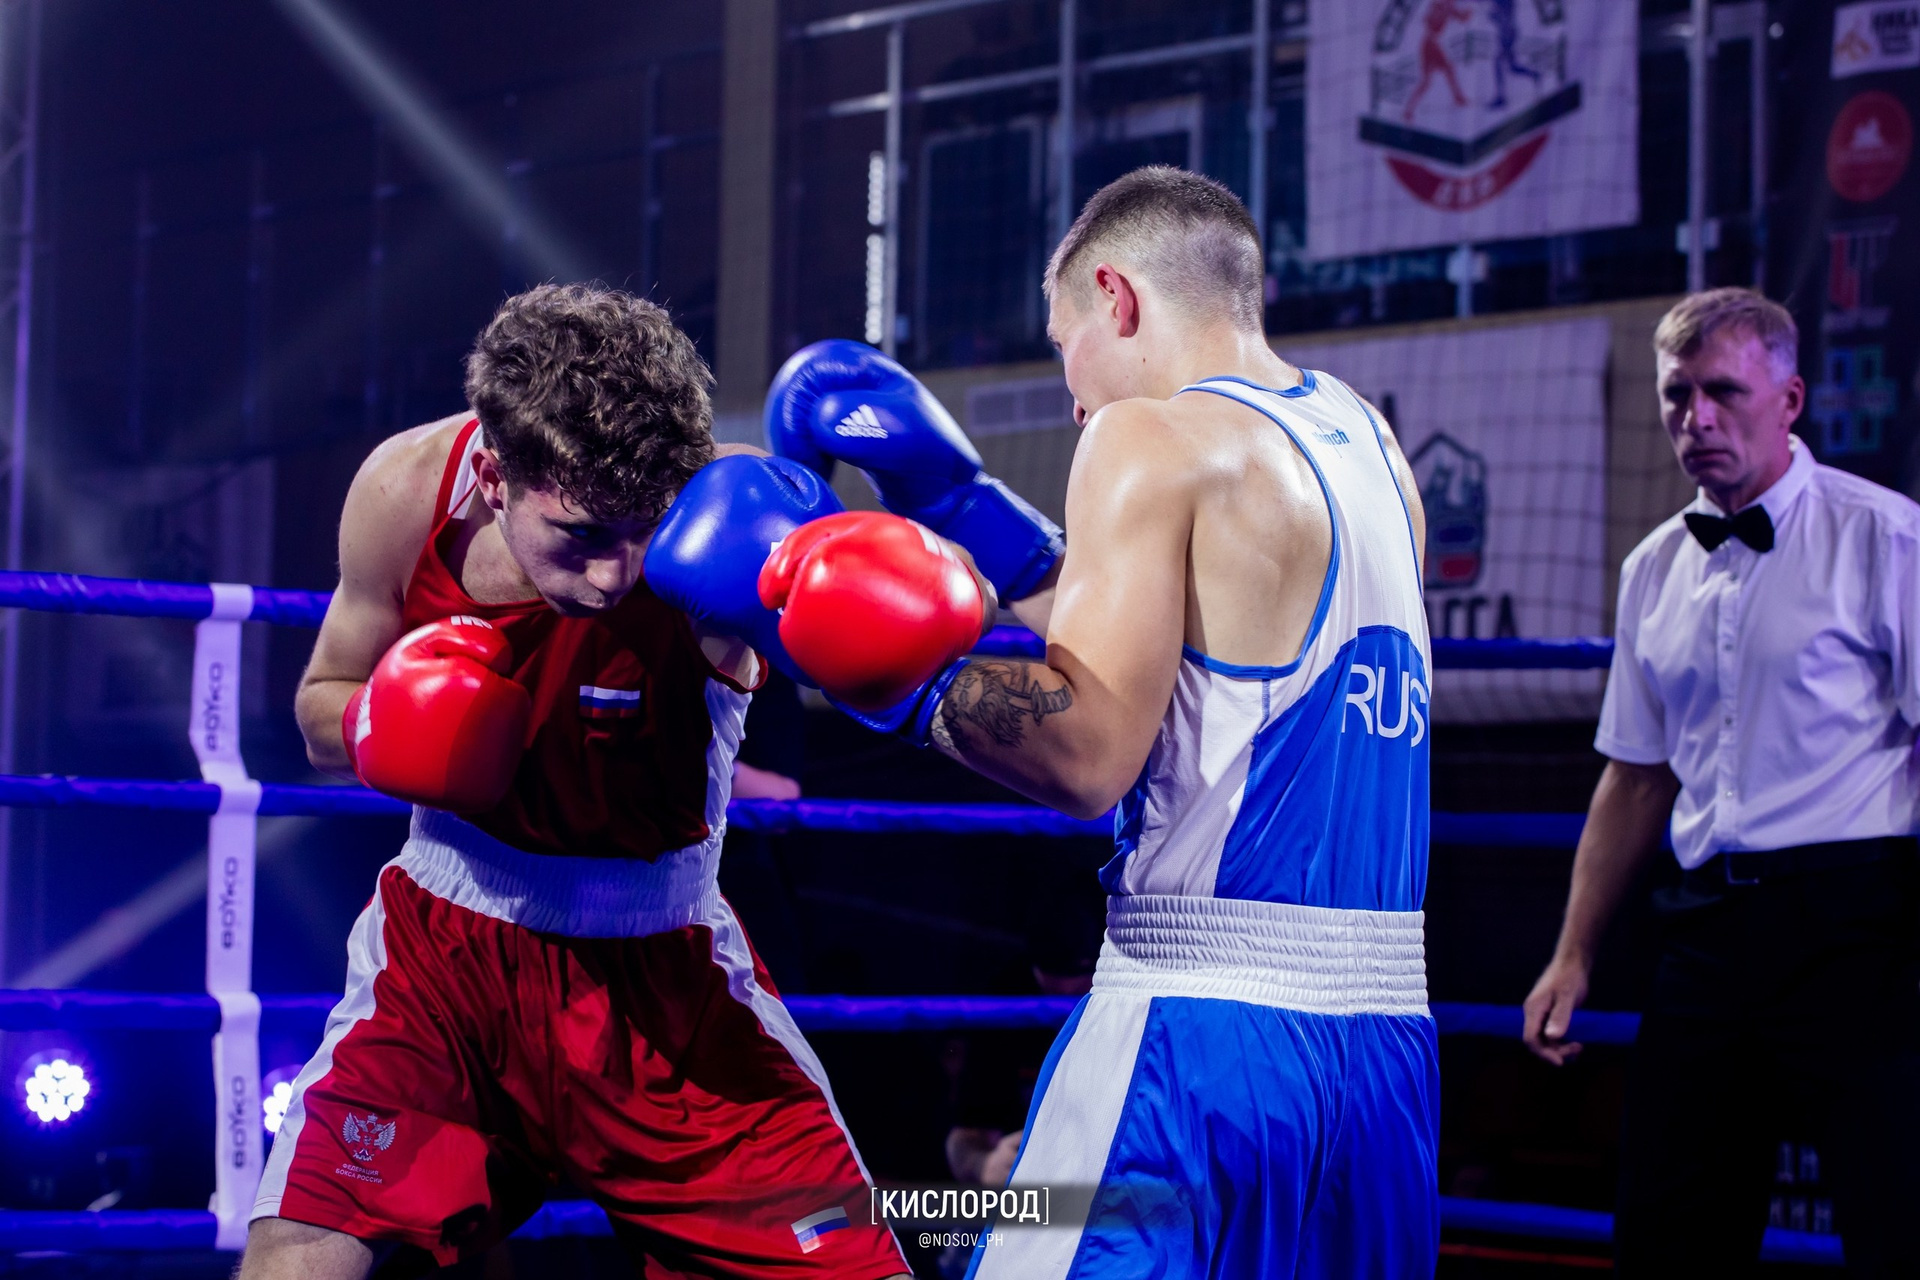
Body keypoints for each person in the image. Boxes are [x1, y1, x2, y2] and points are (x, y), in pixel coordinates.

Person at [767, 167, 1437, 1276]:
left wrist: (885, 674)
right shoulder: (1371, 446)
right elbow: (1214, 659)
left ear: (1117, 298)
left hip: (1198, 1035)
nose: (1074, 396)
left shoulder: (1143, 437)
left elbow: (1087, 754)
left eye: (1063, 344)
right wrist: (961, 505)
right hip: (1385, 1062)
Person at [240, 283, 984, 1280]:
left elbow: (922, 636)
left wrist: (914, 579)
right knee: (298, 1249)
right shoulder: (405, 492)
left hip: (666, 979)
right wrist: (390, 721)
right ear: (495, 477)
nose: (617, 575)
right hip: (446, 959)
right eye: (582, 535)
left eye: (645, 528)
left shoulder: (736, 520)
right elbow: (320, 704)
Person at [1521, 288, 1920, 1274]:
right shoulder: (1654, 567)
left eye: (1724, 392)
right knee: (1668, 1235)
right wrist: (1572, 952)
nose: (1697, 418)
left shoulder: (1885, 538)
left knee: (1898, 1223)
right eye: (1677, 395)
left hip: (1861, 928)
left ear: (1789, 401)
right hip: (1706, 932)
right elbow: (1634, 778)